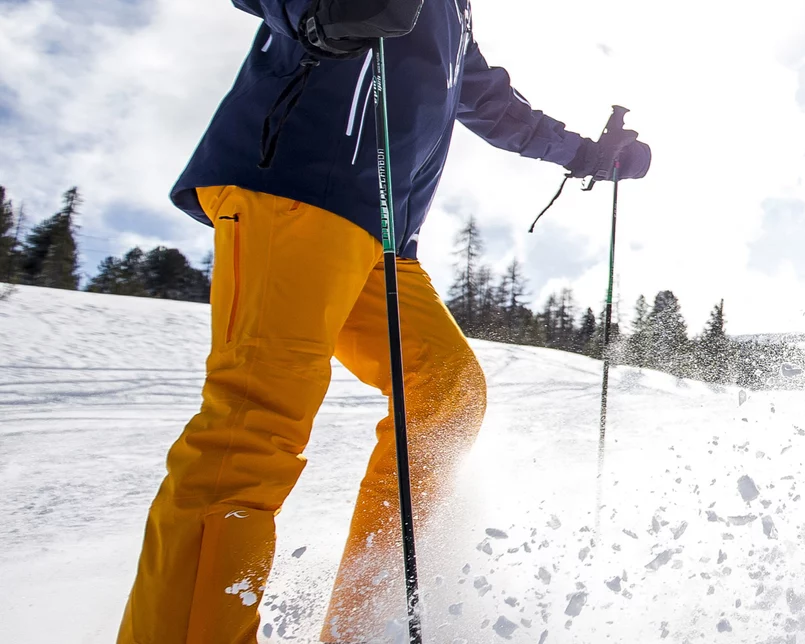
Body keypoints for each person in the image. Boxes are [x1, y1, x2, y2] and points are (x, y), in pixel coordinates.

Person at [115, 1, 652, 642]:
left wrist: (588, 154)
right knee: (254, 424)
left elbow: (493, 105)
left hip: (381, 237)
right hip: (300, 182)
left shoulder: (453, 15)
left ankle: (367, 625)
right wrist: (315, 12)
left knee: (445, 396)